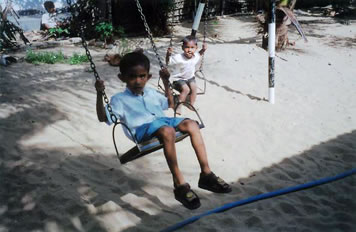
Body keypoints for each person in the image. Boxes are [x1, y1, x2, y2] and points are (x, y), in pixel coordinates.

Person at [95, 52, 231, 210]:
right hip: (142, 130)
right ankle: (180, 184)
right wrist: (99, 93)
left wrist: (166, 81)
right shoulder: (119, 99)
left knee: (192, 124)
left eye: (142, 76)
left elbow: (170, 104)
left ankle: (206, 174)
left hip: (163, 122)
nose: (138, 81)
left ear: (148, 76)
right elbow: (102, 117)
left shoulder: (151, 92)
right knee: (167, 131)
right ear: (122, 78)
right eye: (132, 77)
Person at [166, 35, 207, 114]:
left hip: (190, 77)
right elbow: (168, 62)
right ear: (182, 47)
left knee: (194, 88)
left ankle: (191, 104)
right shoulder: (178, 57)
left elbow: (200, 54)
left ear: (196, 48)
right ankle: (178, 107)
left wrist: (203, 49)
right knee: (186, 89)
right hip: (178, 79)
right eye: (187, 47)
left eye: (192, 47)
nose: (189, 50)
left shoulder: (195, 56)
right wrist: (168, 54)